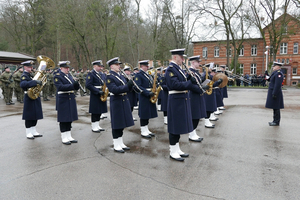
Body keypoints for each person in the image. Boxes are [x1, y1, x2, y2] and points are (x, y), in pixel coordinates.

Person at [165, 48, 199, 161]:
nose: (183, 59)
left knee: (179, 126)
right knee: (174, 127)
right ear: (175, 57)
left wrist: (189, 78)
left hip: (181, 99)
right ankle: (172, 151)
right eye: (181, 57)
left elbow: (182, 81)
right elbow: (175, 84)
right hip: (175, 100)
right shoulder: (170, 69)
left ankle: (177, 148)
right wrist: (189, 83)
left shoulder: (178, 68)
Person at [106, 57, 134, 153]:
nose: (119, 66)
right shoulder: (109, 76)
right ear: (111, 66)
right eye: (117, 65)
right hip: (116, 101)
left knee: (122, 123)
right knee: (117, 123)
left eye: (119, 64)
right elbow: (114, 89)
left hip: (124, 100)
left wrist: (131, 85)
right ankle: (116, 144)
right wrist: (127, 86)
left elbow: (125, 87)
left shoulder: (121, 75)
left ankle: (120, 142)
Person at [54, 61, 79, 145]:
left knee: (69, 118)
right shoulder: (57, 76)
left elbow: (72, 85)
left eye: (68, 68)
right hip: (63, 98)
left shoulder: (69, 75)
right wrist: (72, 86)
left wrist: (76, 85)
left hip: (70, 97)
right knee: (63, 119)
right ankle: (63, 136)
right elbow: (60, 87)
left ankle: (69, 135)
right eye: (66, 68)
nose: (67, 69)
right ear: (61, 68)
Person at [20, 60, 43, 139]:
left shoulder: (31, 75)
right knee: (29, 115)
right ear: (25, 67)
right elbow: (23, 84)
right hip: (29, 97)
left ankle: (33, 130)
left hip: (35, 96)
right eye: (29, 67)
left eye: (31, 67)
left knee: (35, 114)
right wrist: (34, 82)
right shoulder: (24, 75)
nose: (31, 68)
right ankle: (28, 132)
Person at [135, 60, 158, 138]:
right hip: (144, 96)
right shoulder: (139, 75)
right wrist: (147, 93)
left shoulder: (147, 74)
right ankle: (143, 130)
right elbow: (138, 86)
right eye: (146, 66)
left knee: (148, 113)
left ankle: (146, 129)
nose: (148, 67)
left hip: (150, 95)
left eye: (148, 66)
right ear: (142, 66)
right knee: (144, 114)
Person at [188, 55, 208, 142]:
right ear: (193, 62)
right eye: (198, 62)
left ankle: (193, 132)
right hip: (193, 96)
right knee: (194, 116)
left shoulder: (196, 72)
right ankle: (191, 134)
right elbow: (190, 85)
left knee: (197, 116)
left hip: (198, 95)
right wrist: (201, 89)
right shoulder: (189, 72)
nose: (199, 63)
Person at [85, 60, 106, 132]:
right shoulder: (91, 74)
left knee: (100, 110)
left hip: (102, 92)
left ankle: (97, 124)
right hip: (95, 94)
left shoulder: (101, 74)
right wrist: (97, 91)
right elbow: (88, 85)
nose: (100, 68)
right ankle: (94, 126)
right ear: (94, 66)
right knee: (95, 111)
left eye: (101, 66)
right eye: (99, 66)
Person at [265, 62, 284, 126]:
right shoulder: (275, 73)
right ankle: (274, 120)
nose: (273, 67)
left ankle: (276, 121)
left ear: (278, 67)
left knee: (276, 107)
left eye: (274, 66)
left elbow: (278, 85)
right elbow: (270, 80)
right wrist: (267, 75)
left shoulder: (279, 73)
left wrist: (274, 93)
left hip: (276, 92)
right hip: (273, 91)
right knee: (274, 107)